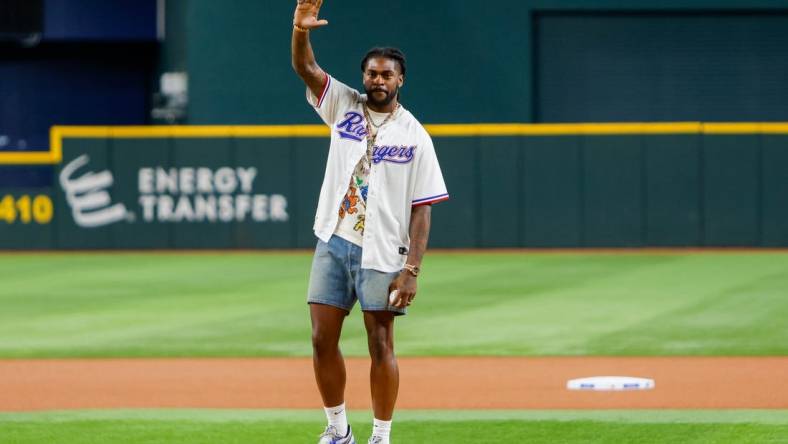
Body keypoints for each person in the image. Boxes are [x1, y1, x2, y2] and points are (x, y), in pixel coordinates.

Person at [291, 1, 449, 443]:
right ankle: (338, 429)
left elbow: (423, 208)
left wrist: (412, 270)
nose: (377, 80)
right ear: (363, 77)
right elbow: (306, 68)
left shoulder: (415, 135)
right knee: (322, 339)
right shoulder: (342, 104)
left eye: (386, 75)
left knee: (380, 344)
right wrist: (300, 29)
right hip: (334, 240)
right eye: (372, 73)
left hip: (382, 252)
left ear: (400, 80)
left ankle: (381, 434)